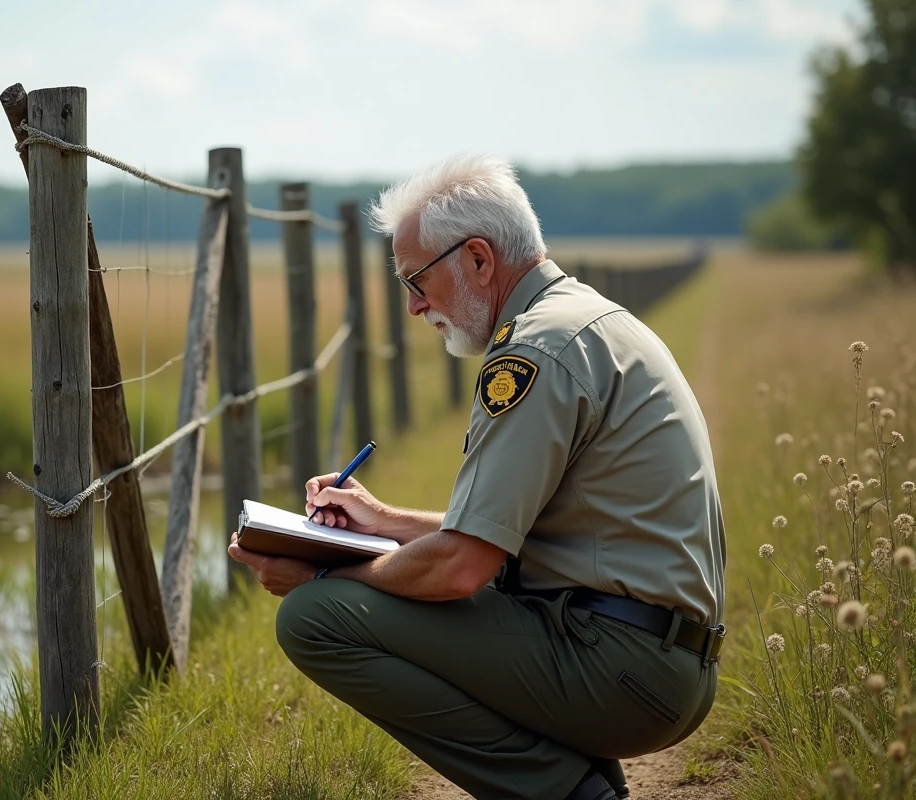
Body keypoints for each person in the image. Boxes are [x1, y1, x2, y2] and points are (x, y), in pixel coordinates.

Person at [228, 153, 726, 800]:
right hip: (658, 661)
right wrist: (386, 523)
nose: (413, 305)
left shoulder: (533, 352)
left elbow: (463, 567)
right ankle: (579, 783)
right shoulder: (583, 318)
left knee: (315, 617)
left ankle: (570, 793)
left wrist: (322, 576)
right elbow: (517, 536)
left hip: (623, 669)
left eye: (416, 280)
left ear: (479, 259)